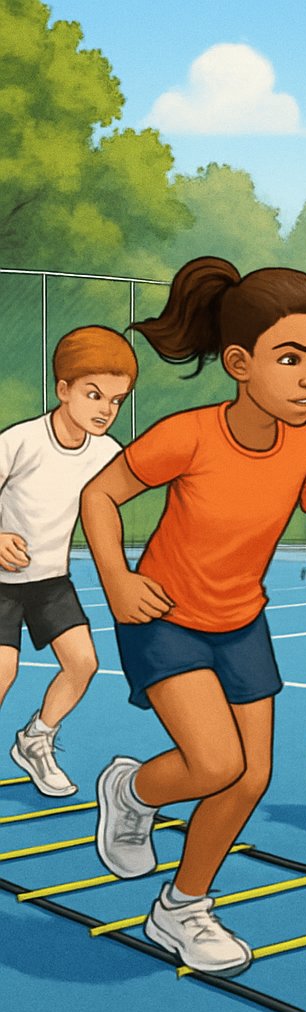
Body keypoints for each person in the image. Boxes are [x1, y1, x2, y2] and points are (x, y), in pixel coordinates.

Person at [81, 257, 306, 977]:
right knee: (215, 763)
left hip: (241, 620)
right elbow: (99, 496)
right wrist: (119, 582)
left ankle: (180, 906)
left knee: (248, 779)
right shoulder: (189, 435)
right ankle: (131, 792)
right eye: (292, 358)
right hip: (163, 614)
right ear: (240, 362)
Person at [1, 326, 136, 798]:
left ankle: (35, 740)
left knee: (82, 662)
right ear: (63, 390)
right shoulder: (20, 441)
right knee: (2, 672)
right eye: (94, 394)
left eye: (117, 400)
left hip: (51, 581)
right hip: (1, 581)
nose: (106, 409)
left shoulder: (108, 454)